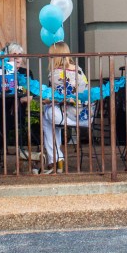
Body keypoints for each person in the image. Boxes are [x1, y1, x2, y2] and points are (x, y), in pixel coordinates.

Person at [37, 42, 90, 174]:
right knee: (51, 118)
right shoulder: (79, 69)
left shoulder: (56, 73)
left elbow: (61, 96)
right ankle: (56, 159)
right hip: (87, 115)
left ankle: (56, 159)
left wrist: (46, 100)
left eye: (50, 55)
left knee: (47, 114)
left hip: (70, 114)